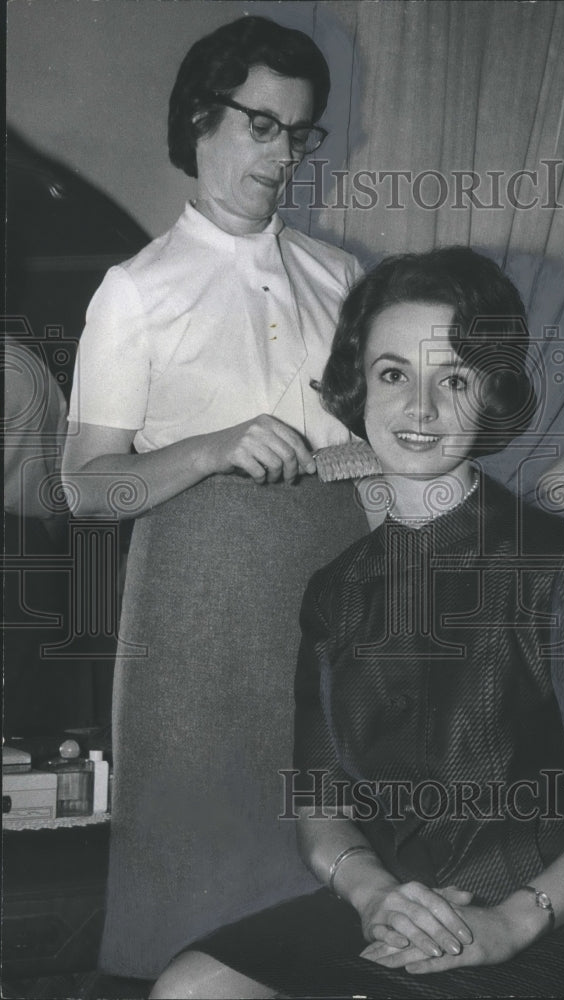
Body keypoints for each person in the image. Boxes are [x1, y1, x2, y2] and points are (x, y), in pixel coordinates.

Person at [151, 248, 564, 999]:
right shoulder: (335, 593)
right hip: (398, 903)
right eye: (392, 375)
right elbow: (321, 807)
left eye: (453, 379)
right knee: (190, 989)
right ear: (358, 386)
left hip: (556, 910)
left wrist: (514, 920)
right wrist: (375, 894)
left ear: (491, 395)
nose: (419, 410)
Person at [62, 16, 368, 978]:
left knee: (335, 900)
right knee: (201, 915)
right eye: (262, 125)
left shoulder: (345, 277)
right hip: (200, 638)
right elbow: (87, 487)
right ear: (201, 116)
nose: (283, 154)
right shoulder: (133, 291)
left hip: (339, 608)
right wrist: (213, 447)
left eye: (301, 132)